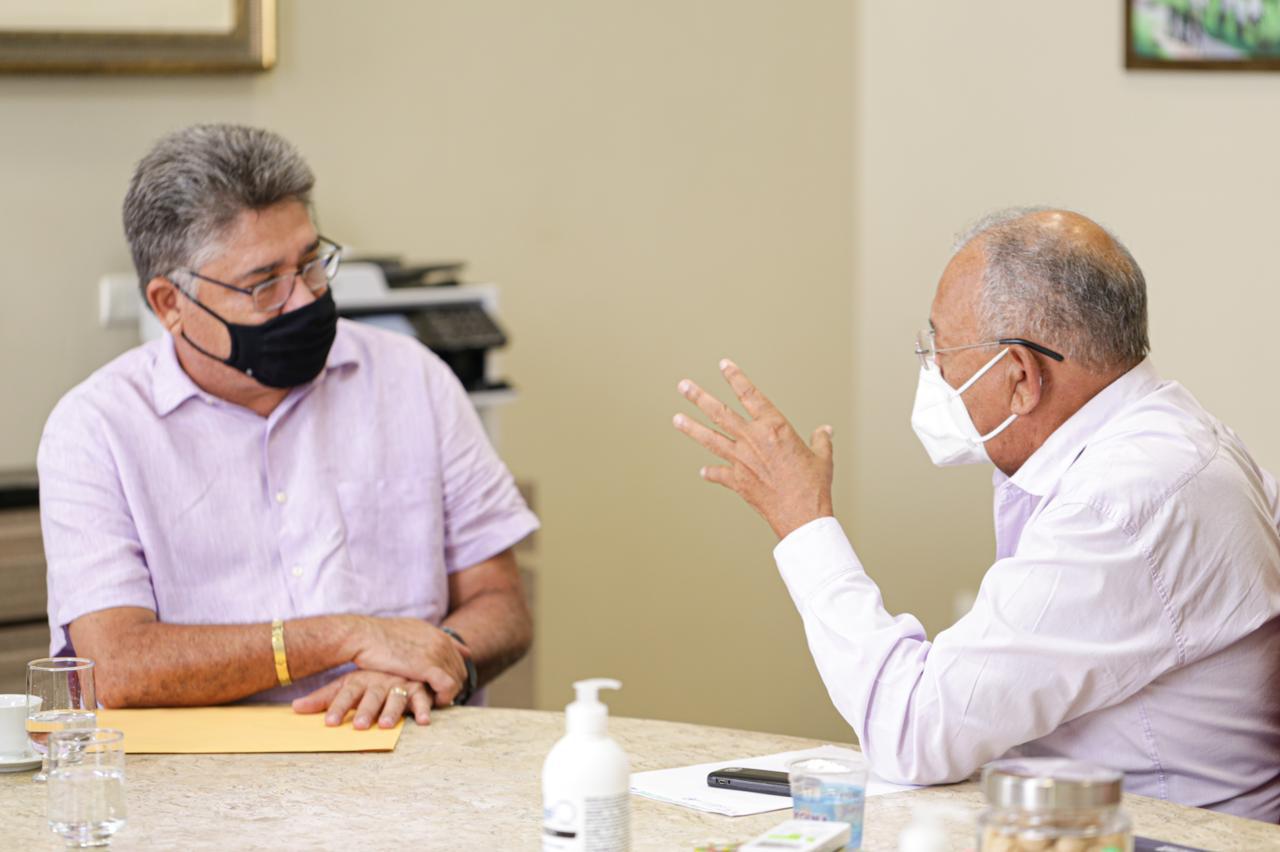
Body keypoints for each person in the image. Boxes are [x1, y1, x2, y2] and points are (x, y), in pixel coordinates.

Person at [673, 208, 1280, 820]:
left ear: (1020, 376)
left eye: (940, 347)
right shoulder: (1177, 444)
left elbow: (912, 730)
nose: (934, 370)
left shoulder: (1122, 502)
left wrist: (803, 520)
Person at [38, 124, 539, 731]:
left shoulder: (414, 379)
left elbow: (502, 603)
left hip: (411, 758)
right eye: (265, 284)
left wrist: (426, 660)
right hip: (202, 794)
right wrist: (345, 637)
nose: (303, 300)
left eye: (311, 264)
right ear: (170, 304)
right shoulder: (95, 431)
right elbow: (115, 665)